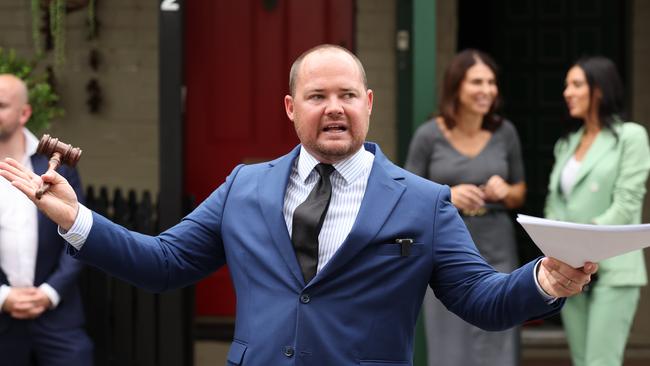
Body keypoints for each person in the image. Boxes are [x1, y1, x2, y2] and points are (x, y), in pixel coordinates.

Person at [0, 45, 595, 366]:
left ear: (368, 103)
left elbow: (482, 302)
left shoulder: (424, 202)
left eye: (345, 96)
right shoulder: (244, 187)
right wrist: (73, 218)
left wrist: (545, 277)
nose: (333, 108)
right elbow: (161, 263)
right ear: (290, 108)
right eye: (316, 96)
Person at [405, 49, 524, 366]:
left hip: (497, 242)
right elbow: (407, 194)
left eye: (491, 82)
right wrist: (448, 195)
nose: (486, 90)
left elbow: (520, 193)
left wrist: (506, 190)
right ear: (456, 85)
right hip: (447, 244)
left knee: (499, 327)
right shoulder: (429, 135)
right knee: (450, 334)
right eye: (476, 82)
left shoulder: (505, 133)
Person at [544, 56, 650, 366]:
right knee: (581, 360)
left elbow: (627, 203)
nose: (567, 92)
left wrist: (582, 245)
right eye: (566, 85)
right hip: (569, 269)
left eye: (576, 84)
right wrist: (558, 247)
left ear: (599, 90)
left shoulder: (631, 136)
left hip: (613, 270)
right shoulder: (567, 143)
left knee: (601, 362)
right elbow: (554, 204)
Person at [0, 74, 93, 366]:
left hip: (57, 312)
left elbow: (78, 232)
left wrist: (50, 293)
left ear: (24, 113)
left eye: (1, 105)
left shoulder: (56, 167)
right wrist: (3, 296)